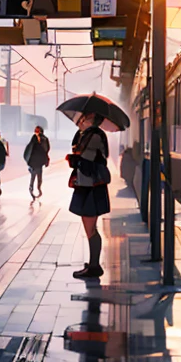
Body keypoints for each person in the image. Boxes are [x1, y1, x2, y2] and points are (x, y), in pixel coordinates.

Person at [67, 111, 110, 279]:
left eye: (86, 117)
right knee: (89, 226)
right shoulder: (87, 134)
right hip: (87, 184)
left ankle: (94, 266)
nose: (81, 119)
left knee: (90, 226)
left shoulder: (95, 136)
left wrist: (74, 158)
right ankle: (93, 264)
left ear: (93, 120)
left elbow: (85, 158)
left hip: (91, 185)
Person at [24, 126, 50, 197]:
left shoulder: (43, 139)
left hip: (39, 161)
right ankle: (32, 187)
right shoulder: (34, 139)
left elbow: (46, 150)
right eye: (36, 131)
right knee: (35, 175)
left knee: (38, 175)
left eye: (38, 131)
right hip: (35, 161)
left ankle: (37, 188)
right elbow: (29, 150)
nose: (36, 132)